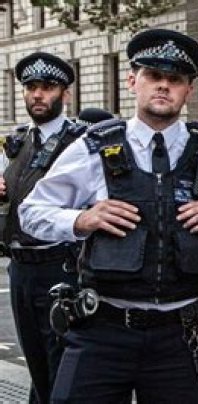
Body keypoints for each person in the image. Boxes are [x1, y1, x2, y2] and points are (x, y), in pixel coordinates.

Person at [19, 28, 198, 402]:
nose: (163, 86)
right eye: (153, 75)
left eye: (175, 79)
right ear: (132, 81)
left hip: (180, 335)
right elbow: (31, 213)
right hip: (102, 330)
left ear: (189, 90)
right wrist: (81, 220)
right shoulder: (94, 147)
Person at [0, 51, 83, 404]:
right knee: (37, 365)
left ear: (65, 93)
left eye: (47, 87)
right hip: (20, 268)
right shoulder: (18, 142)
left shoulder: (81, 142)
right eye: (30, 87)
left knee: (62, 367)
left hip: (61, 266)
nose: (37, 94)